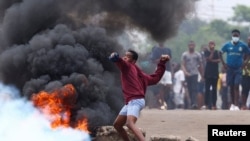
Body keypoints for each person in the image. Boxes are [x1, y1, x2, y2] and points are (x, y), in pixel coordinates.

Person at [109, 49, 170, 141]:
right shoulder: (140, 74)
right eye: (125, 55)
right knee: (117, 125)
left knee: (130, 123)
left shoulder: (127, 66)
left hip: (135, 100)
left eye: (128, 57)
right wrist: (162, 63)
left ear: (133, 61)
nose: (125, 57)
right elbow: (155, 78)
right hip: (131, 102)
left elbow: (120, 61)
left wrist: (115, 56)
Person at [219, 29, 250, 111]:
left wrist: (245, 63)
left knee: (236, 85)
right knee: (231, 86)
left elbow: (248, 54)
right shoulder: (227, 45)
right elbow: (220, 53)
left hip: (238, 69)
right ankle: (232, 104)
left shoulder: (243, 45)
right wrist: (223, 63)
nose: (235, 37)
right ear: (232, 36)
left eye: (237, 36)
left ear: (239, 36)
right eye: (234, 36)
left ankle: (236, 104)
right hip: (229, 68)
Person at [150, 42, 173, 109]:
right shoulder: (156, 50)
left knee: (168, 85)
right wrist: (161, 59)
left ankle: (160, 98)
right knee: (161, 86)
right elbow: (153, 61)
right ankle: (162, 103)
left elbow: (170, 60)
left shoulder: (168, 50)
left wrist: (172, 71)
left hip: (168, 69)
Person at [181, 40, 204, 109]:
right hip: (188, 74)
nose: (191, 46)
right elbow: (183, 64)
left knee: (194, 88)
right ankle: (191, 103)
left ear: (194, 46)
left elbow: (200, 65)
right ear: (188, 46)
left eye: (192, 45)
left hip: (195, 73)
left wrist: (202, 75)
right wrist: (185, 72)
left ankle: (194, 103)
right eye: (190, 45)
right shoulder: (185, 54)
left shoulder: (197, 55)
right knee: (189, 88)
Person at [204, 41, 220, 110]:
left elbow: (219, 60)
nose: (211, 45)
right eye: (210, 44)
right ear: (208, 45)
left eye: (213, 44)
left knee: (214, 89)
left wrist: (212, 61)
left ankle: (214, 104)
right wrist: (212, 53)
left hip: (215, 73)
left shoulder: (217, 52)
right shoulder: (206, 52)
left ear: (214, 45)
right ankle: (206, 104)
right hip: (208, 73)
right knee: (207, 89)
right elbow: (208, 59)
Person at [241, 36, 250, 110]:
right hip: (246, 73)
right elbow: (242, 60)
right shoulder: (245, 49)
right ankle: (243, 105)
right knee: (245, 90)